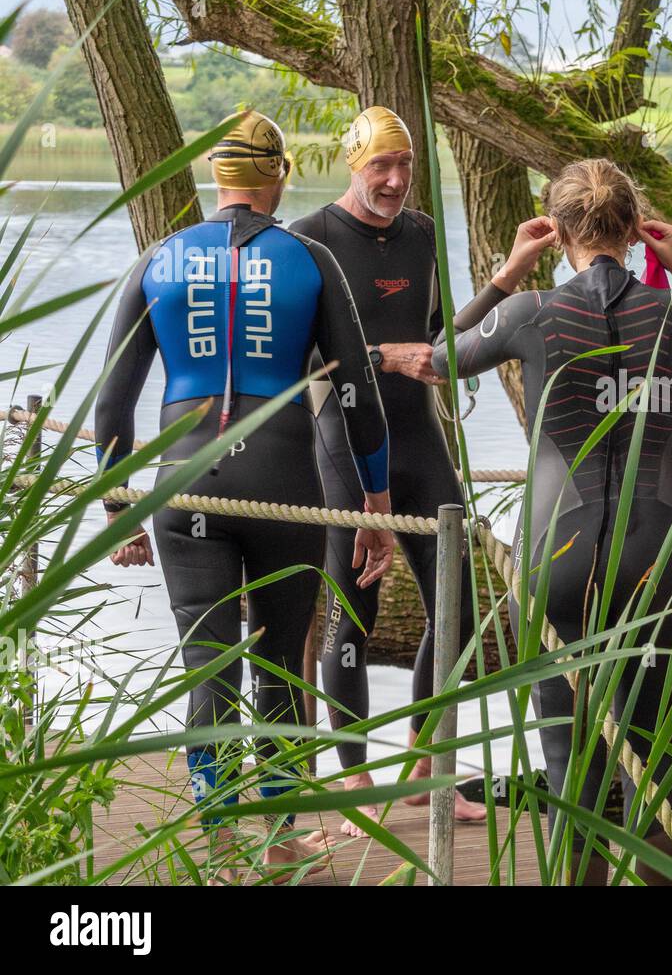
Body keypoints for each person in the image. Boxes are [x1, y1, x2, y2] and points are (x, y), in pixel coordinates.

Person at [430, 158, 672, 885]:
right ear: (636, 228)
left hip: (559, 551)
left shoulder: (530, 312)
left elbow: (437, 359)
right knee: (649, 760)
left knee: (569, 767)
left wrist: (508, 275)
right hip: (656, 549)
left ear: (558, 229)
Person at [95, 110, 396, 882]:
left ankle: (220, 833)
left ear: (215, 178)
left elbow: (111, 403)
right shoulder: (310, 257)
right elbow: (358, 392)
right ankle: (282, 835)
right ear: (280, 177)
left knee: (207, 665)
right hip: (284, 482)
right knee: (279, 665)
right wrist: (376, 503)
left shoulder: (158, 259)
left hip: (185, 477)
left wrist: (117, 503)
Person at [289, 105, 515, 833]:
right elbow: (299, 361)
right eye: (380, 166)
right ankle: (352, 780)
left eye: (405, 166)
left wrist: (507, 280)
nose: (393, 180)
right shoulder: (312, 239)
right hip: (343, 444)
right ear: (354, 165)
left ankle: (424, 766)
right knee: (350, 616)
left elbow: (442, 340)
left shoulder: (420, 235)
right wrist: (386, 357)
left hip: (418, 440)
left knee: (461, 608)